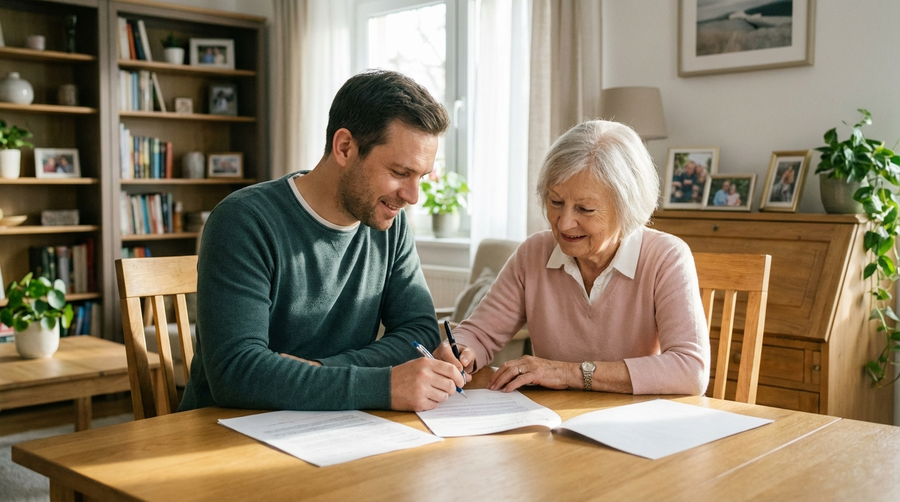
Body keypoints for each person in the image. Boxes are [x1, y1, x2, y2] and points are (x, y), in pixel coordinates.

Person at [178, 69, 463, 413]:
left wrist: (321, 372)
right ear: (344, 148)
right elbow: (238, 372)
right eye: (400, 173)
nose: (412, 196)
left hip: (334, 425)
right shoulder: (244, 221)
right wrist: (382, 384)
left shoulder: (391, 224)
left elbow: (418, 334)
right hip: (227, 433)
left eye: (420, 176)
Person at [435, 120, 709, 396]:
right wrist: (460, 350)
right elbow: (480, 333)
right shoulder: (534, 253)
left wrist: (567, 373)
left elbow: (690, 370)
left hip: (634, 424)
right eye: (555, 202)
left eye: (585, 209)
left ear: (628, 208)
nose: (564, 224)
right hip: (554, 421)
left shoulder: (666, 257)